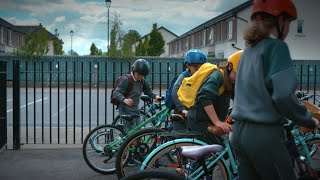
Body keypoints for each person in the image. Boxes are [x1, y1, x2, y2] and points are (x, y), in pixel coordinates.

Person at [230, 0, 320, 179]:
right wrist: (308, 120)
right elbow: (283, 96)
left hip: (239, 133)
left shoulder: (248, 52)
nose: (288, 29)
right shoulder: (276, 47)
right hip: (264, 136)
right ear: (279, 21)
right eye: (288, 23)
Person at [185, 50, 242, 144]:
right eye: (238, 73)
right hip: (200, 121)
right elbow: (204, 96)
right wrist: (217, 122)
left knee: (222, 153)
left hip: (207, 120)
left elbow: (238, 100)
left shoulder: (230, 81)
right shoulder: (218, 75)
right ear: (230, 67)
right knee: (218, 152)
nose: (240, 77)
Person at [112, 59, 160, 132]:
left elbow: (148, 90)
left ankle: (135, 143)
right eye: (139, 74)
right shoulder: (127, 80)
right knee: (129, 130)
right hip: (125, 108)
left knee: (138, 129)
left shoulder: (142, 81)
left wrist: (155, 96)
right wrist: (124, 100)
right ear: (134, 71)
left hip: (134, 108)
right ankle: (127, 142)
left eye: (142, 75)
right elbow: (116, 93)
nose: (141, 76)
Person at [171, 49, 208, 131]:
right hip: (182, 112)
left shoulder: (203, 77)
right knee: (180, 137)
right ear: (188, 66)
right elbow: (174, 92)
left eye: (201, 68)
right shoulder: (184, 76)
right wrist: (182, 109)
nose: (198, 71)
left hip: (194, 114)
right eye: (195, 67)